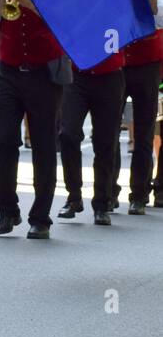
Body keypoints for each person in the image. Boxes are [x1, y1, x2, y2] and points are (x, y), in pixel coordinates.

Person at [0, 0, 68, 239]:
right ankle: (7, 210)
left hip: (44, 74)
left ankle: (40, 217)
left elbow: (64, 23)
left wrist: (29, 3)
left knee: (44, 144)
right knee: (3, 141)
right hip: (8, 73)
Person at [116, 0, 163, 213]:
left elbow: (160, 18)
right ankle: (108, 191)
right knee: (108, 131)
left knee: (144, 133)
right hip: (119, 63)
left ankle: (139, 194)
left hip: (148, 64)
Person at [58, 48, 126, 226]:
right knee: (68, 134)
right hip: (77, 76)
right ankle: (73, 197)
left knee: (106, 141)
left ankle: (102, 203)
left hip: (110, 75)